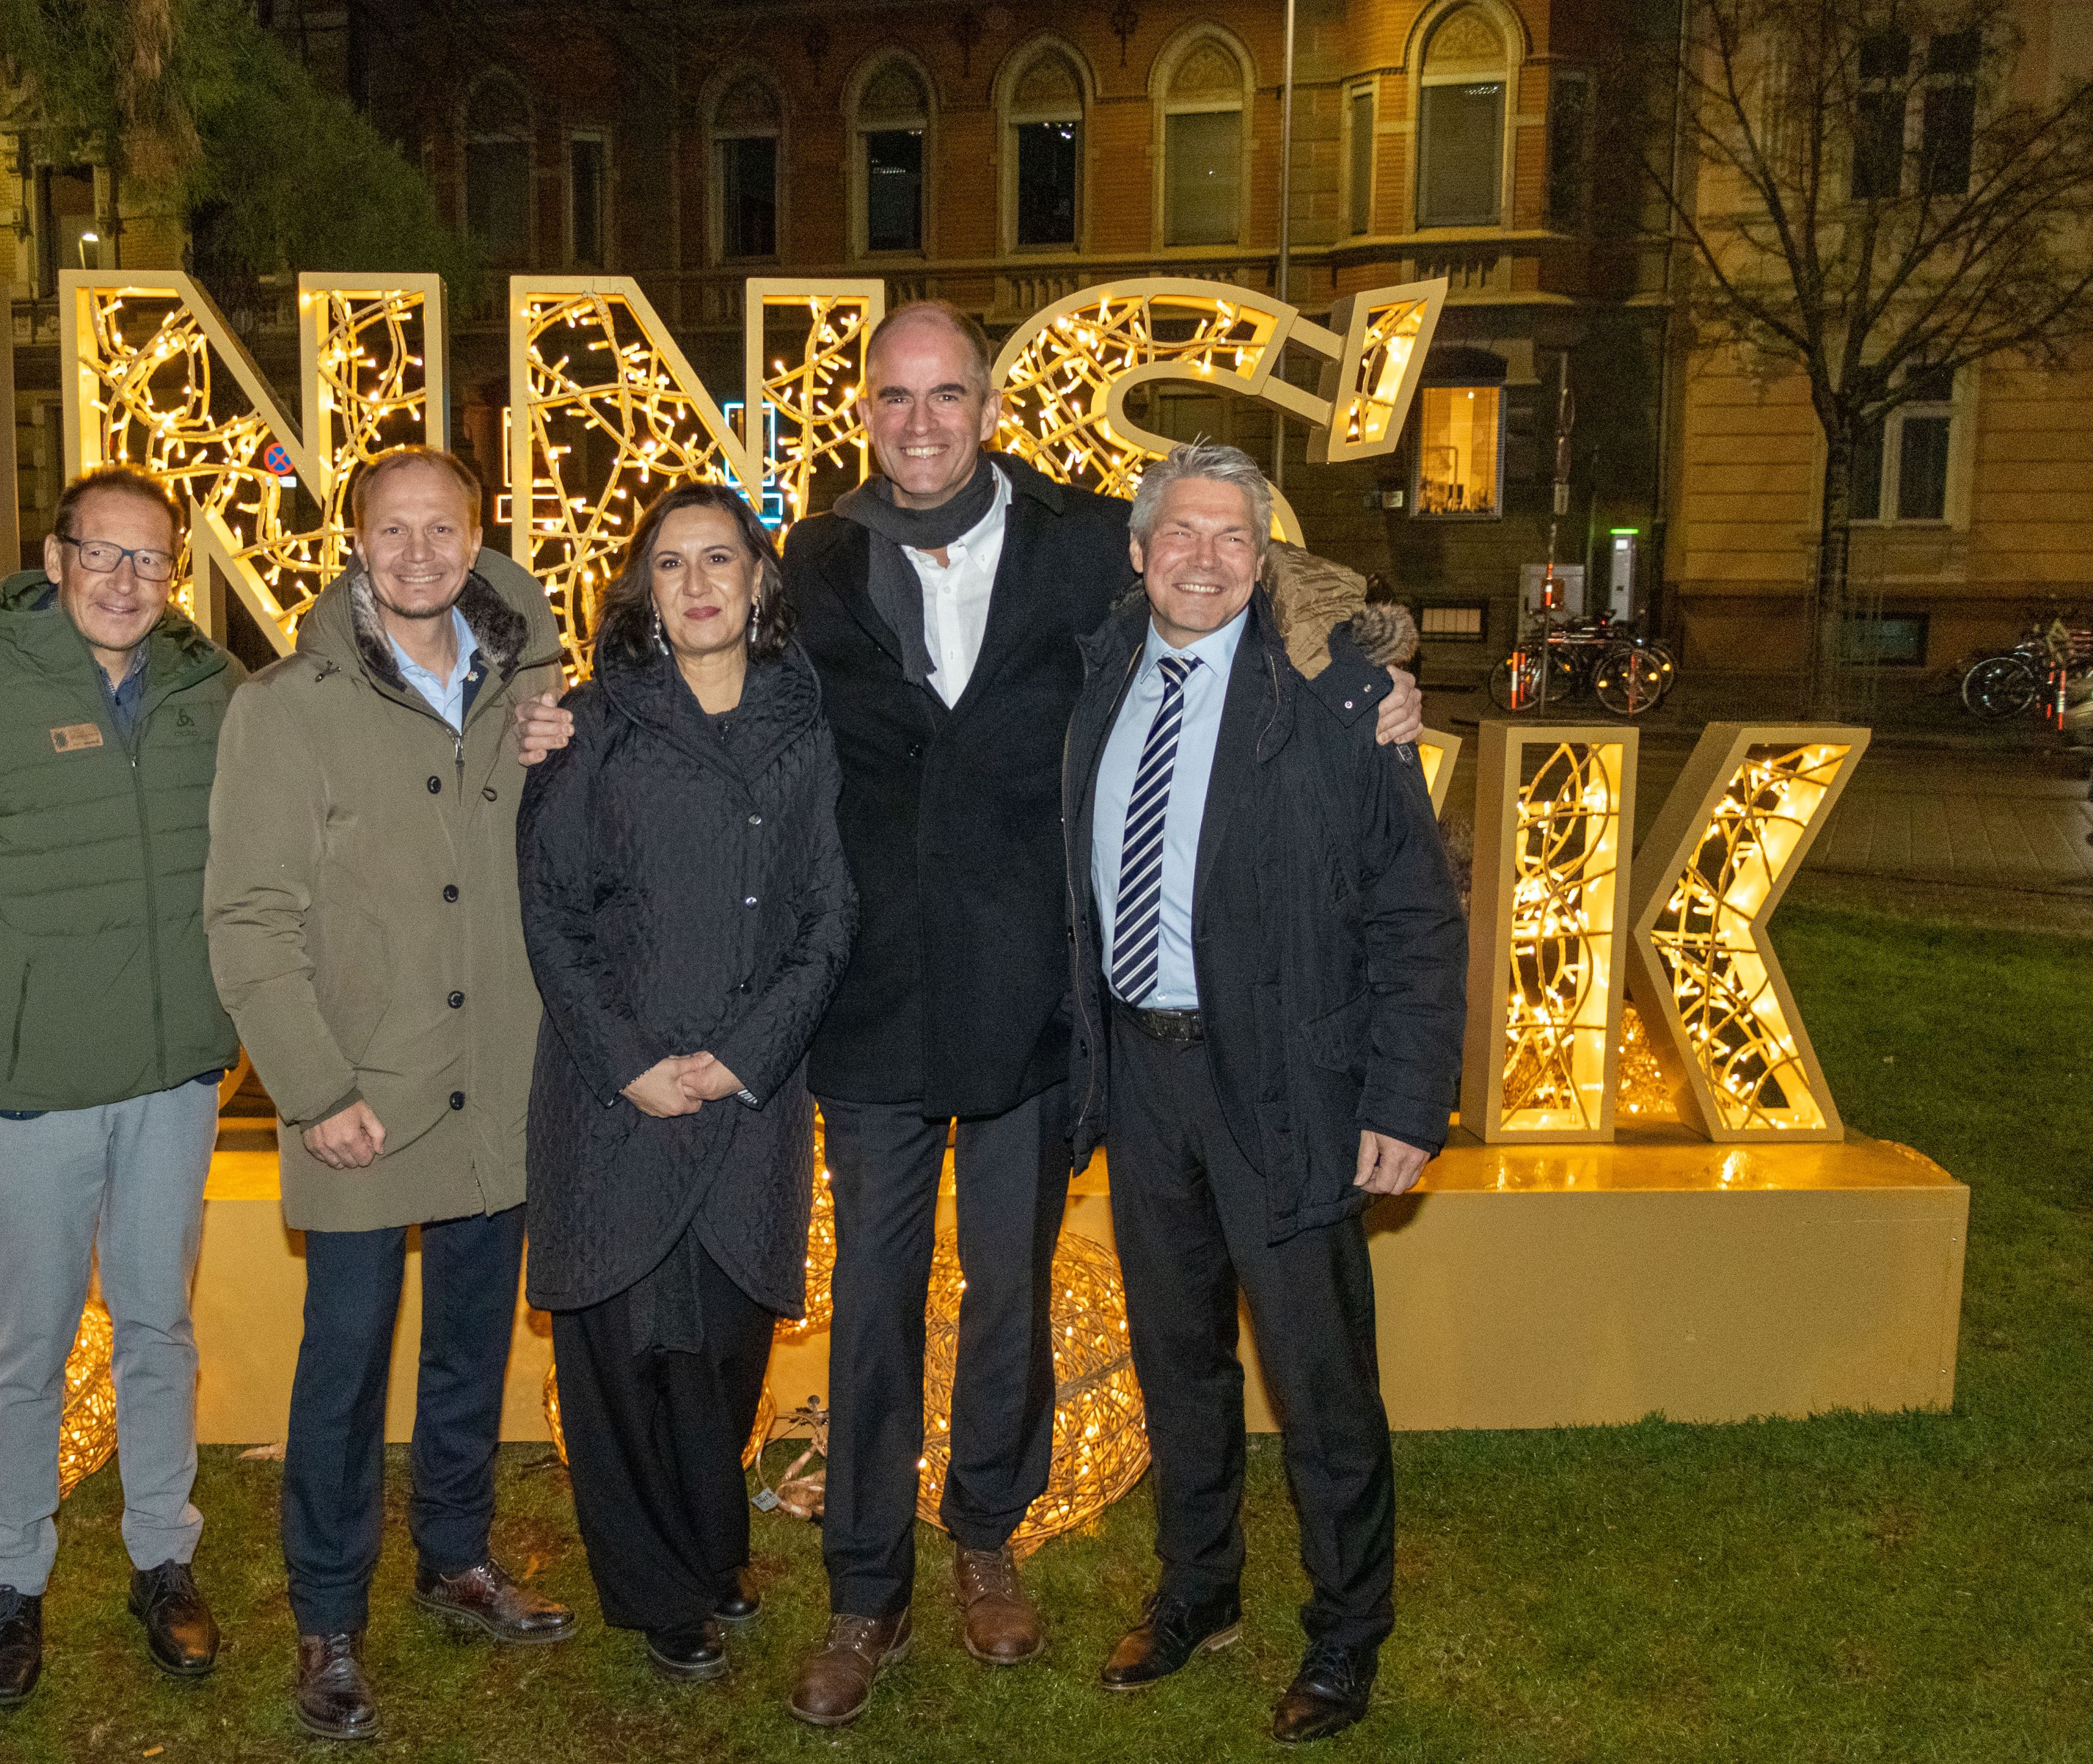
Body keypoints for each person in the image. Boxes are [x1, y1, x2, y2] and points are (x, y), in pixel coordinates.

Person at [516, 299, 1426, 1729]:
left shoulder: (1086, 542)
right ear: (863, 412)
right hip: (866, 1006)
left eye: (947, 395)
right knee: (872, 1310)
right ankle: (864, 1585)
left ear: (987, 405)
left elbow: (1246, 579)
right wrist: (556, 714)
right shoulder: (805, 562)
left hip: (1035, 1011)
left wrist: (1373, 666)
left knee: (1006, 1296)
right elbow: (685, 658)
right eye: (895, 397)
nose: (921, 421)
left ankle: (985, 1535)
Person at [1061, 442, 1466, 1743]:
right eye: (1177, 533)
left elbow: (1413, 910)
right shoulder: (1099, 670)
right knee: (1178, 1359)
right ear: (1138, 552)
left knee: (1317, 1377)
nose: (1201, 558)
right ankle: (1198, 1589)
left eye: (1231, 537)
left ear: (1264, 555)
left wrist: (1404, 1099)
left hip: (1287, 1083)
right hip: (1143, 1075)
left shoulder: (1336, 693)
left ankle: (1347, 1633)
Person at [202, 446, 575, 1743]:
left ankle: (456, 1554)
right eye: (392, 530)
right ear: (356, 544)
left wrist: (561, 731)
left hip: (500, 1088)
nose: (419, 552)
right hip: (362, 1094)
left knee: (473, 1342)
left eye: (443, 528)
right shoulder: (284, 706)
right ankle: (326, 1613)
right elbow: (248, 916)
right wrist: (311, 1089)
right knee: (345, 1366)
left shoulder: (534, 683)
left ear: (476, 538)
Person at [0, 464, 238, 1705]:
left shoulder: (211, 696)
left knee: (158, 1329)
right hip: (28, 1094)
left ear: (173, 569)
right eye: (102, 553)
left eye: (150, 558)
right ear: (57, 556)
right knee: (30, 1341)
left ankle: (160, 1557)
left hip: (176, 1082)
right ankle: (13, 1577)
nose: (125, 581)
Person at [516, 484, 858, 1684]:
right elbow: (551, 916)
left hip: (749, 1089)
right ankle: (656, 1591)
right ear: (643, 591)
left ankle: (714, 1555)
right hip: (616, 1091)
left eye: (722, 560)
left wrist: (748, 1056)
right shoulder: (590, 724)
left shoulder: (805, 726)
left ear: (761, 581)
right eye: (672, 565)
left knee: (721, 1345)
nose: (700, 583)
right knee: (621, 1354)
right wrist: (632, 1065)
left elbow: (829, 915)